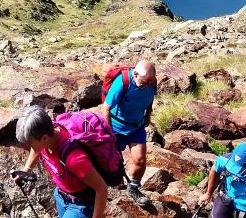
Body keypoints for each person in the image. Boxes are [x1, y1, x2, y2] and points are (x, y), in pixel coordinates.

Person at [13, 105, 109, 218]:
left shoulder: (75, 159)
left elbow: (102, 188)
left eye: (29, 143)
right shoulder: (47, 136)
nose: (27, 146)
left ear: (44, 138)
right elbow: (36, 150)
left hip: (81, 204)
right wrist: (26, 171)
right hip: (61, 196)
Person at [97, 60, 156, 206]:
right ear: (135, 74)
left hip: (136, 127)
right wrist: (110, 134)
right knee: (111, 162)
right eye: (144, 81)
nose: (146, 84)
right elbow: (105, 108)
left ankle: (133, 188)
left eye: (149, 81)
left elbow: (149, 99)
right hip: (116, 128)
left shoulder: (152, 82)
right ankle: (100, 190)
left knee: (140, 161)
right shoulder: (122, 82)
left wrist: (148, 115)